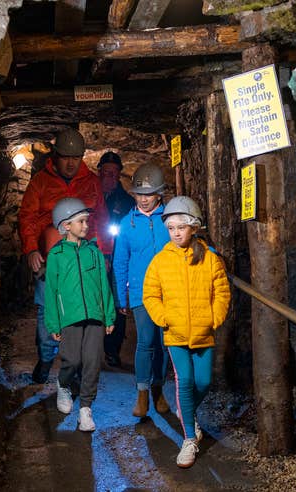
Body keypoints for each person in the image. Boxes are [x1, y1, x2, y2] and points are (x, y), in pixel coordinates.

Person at [142, 196, 230, 468]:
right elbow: (150, 295)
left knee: (202, 382)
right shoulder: (160, 261)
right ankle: (189, 439)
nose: (176, 232)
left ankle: (186, 410)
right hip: (176, 334)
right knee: (186, 380)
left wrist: (213, 319)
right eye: (171, 228)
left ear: (194, 227)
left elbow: (222, 292)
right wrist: (163, 318)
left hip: (204, 333)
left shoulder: (209, 258)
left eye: (181, 227)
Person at [19, 128, 109, 384]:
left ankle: (78, 365)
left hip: (82, 260)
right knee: (48, 311)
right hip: (50, 259)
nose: (71, 163)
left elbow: (101, 219)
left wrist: (103, 252)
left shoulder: (90, 182)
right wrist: (31, 249)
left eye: (76, 157)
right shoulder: (40, 182)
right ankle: (47, 358)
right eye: (65, 157)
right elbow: (27, 217)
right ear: (56, 156)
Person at [45, 198, 115, 432]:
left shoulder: (94, 252)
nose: (86, 225)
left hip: (95, 316)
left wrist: (109, 314)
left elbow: (104, 285)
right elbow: (52, 292)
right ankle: (63, 384)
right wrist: (53, 322)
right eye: (81, 221)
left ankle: (86, 408)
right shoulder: (57, 255)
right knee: (72, 360)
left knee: (93, 362)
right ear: (66, 225)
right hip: (69, 318)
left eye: (87, 220)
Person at [112, 163, 171, 417]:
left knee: (164, 344)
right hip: (140, 293)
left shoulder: (171, 219)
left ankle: (159, 391)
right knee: (145, 343)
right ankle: (142, 395)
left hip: (169, 291)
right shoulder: (127, 224)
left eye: (149, 194)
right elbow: (120, 261)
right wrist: (120, 295)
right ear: (133, 194)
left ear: (159, 194)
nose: (144, 199)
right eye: (139, 194)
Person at [98, 151, 135, 368]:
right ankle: (92, 349)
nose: (110, 176)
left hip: (116, 255)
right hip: (93, 254)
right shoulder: (90, 194)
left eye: (114, 173)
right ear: (99, 171)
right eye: (106, 172)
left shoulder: (126, 202)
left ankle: (112, 349)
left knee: (116, 302)